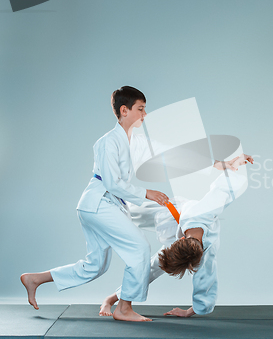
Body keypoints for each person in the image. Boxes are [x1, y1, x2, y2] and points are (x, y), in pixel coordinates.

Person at [20, 86, 170, 322]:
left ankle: (35, 279)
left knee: (95, 266)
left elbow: (168, 153)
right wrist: (147, 192)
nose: (144, 114)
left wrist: (217, 162)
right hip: (99, 203)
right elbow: (112, 183)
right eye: (140, 109)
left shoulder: (132, 140)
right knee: (139, 247)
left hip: (100, 205)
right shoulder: (108, 141)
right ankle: (124, 308)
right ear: (124, 110)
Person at [99, 154, 254, 317]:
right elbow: (223, 191)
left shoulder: (206, 253)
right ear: (179, 240)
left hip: (184, 228)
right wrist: (234, 168)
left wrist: (191, 311)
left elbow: (206, 281)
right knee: (127, 211)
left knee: (152, 267)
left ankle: (110, 299)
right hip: (173, 213)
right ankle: (106, 197)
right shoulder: (202, 212)